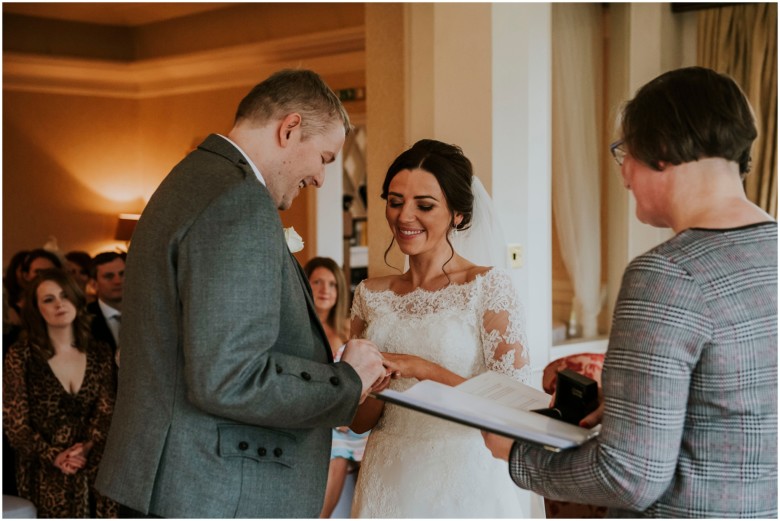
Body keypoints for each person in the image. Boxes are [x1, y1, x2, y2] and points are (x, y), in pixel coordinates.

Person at [483, 67, 777, 518]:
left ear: (659, 149)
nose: (623, 177)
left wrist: (518, 455)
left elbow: (628, 476)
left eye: (624, 153)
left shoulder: (666, 275)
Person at [95, 69, 387, 518]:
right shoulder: (240, 200)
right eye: (325, 158)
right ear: (289, 129)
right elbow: (230, 377)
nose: (322, 178)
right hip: (219, 490)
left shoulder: (189, 179)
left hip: (179, 479)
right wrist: (346, 381)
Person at [349, 139, 542, 517]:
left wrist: (421, 369)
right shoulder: (370, 295)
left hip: (464, 478)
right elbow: (358, 422)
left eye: (424, 205)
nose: (405, 217)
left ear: (456, 214)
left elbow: (515, 411)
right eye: (395, 201)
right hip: (387, 476)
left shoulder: (487, 287)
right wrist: (372, 385)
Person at [3, 269, 117, 517]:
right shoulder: (20, 355)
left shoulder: (100, 352)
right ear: (36, 309)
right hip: (43, 473)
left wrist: (85, 448)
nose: (59, 304)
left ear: (76, 298)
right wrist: (55, 456)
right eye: (48, 299)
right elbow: (15, 425)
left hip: (95, 467)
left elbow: (107, 412)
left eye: (65, 295)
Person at [303, 257, 369, 518]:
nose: (324, 290)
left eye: (332, 284)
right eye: (317, 281)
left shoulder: (347, 330)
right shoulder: (300, 329)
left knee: (375, 448)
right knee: (337, 452)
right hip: (324, 418)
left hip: (352, 417)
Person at [86, 252, 126, 361]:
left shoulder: (147, 312)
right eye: (109, 276)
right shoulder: (84, 318)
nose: (118, 281)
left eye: (122, 274)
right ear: (94, 284)